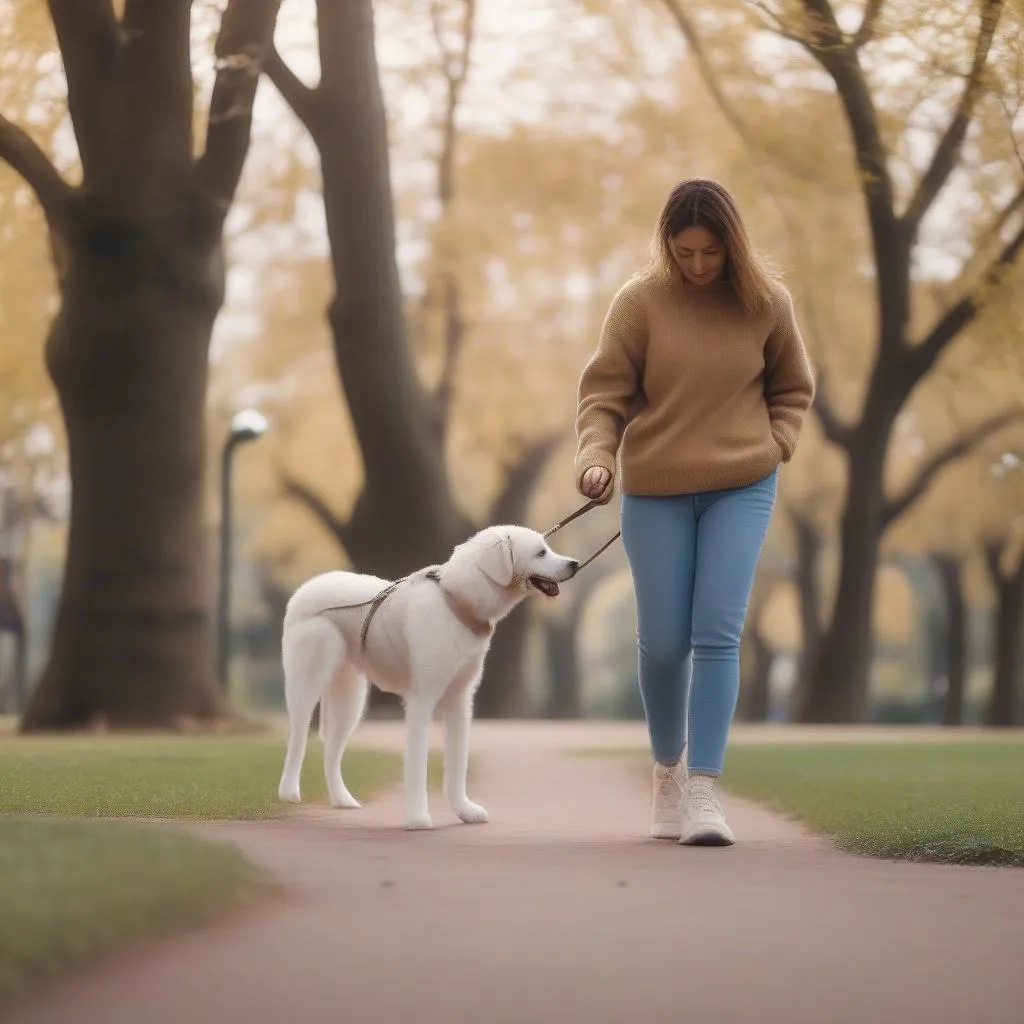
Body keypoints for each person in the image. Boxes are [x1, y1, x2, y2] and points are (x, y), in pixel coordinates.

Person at [574, 177, 814, 846]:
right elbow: (604, 396)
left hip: (743, 482)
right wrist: (595, 457)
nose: (699, 265)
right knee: (663, 643)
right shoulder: (639, 303)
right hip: (655, 490)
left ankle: (704, 792)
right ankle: (667, 772)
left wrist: (777, 442)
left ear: (731, 245)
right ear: (667, 245)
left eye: (711, 252)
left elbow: (793, 386)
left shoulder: (768, 303)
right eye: (685, 252)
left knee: (717, 632)